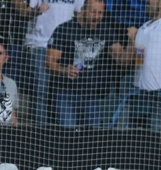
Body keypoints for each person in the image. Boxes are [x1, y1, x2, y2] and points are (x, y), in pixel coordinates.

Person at [111, 0, 161, 133]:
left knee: (159, 145)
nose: (146, 2)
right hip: (138, 97)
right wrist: (132, 41)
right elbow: (136, 62)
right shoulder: (143, 28)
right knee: (134, 143)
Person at [46, 0, 126, 128]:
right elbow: (49, 63)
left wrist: (133, 42)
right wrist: (65, 70)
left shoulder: (105, 30)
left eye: (100, 13)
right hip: (66, 93)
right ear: (83, 10)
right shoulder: (64, 29)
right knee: (68, 135)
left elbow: (122, 59)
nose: (97, 16)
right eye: (93, 12)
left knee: (93, 137)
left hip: (91, 95)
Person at [15, 0, 86, 124]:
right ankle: (40, 131)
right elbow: (24, 13)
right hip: (39, 44)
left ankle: (59, 129)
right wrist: (37, 11)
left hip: (65, 45)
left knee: (62, 90)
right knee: (42, 90)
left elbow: (81, 13)